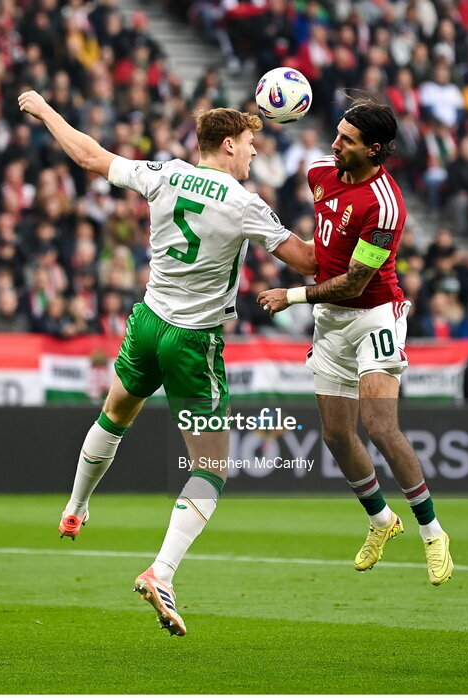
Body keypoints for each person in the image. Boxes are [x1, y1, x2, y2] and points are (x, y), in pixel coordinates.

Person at [17, 90, 316, 635]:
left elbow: (88, 155)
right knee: (211, 468)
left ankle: (76, 505)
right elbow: (305, 260)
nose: (253, 156)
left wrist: (44, 110)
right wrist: (349, 217)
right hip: (191, 341)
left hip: (148, 322)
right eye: (250, 145)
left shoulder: (164, 172)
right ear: (228, 145)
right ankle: (163, 571)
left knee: (114, 415)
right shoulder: (243, 201)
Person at [256, 97, 454, 586]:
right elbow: (319, 257)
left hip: (375, 315)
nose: (334, 144)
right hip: (332, 320)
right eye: (338, 133)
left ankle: (433, 534)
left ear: (376, 150)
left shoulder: (385, 205)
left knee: (381, 427)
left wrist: (292, 297)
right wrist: (259, 228)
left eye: (347, 139)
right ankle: (381, 522)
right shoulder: (321, 174)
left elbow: (356, 282)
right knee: (336, 435)